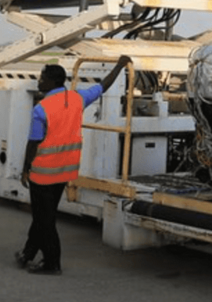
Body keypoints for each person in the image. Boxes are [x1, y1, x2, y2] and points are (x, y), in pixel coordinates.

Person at [16, 57, 130, 275]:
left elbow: (33, 142)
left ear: (52, 82)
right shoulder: (78, 98)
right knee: (43, 215)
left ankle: (52, 263)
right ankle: (27, 253)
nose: (39, 82)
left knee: (44, 219)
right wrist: (120, 66)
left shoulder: (41, 109)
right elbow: (103, 86)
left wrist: (24, 169)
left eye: (42, 79)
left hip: (43, 172)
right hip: (66, 169)